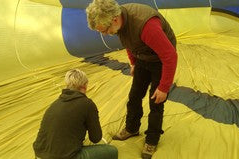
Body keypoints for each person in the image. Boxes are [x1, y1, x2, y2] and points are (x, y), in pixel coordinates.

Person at [86, 0, 178, 159]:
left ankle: (152, 140)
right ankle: (132, 128)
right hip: (143, 57)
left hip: (160, 60)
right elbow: (128, 42)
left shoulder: (147, 26)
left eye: (105, 30)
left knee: (156, 102)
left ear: (114, 20)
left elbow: (170, 56)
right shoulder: (119, 22)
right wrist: (134, 63)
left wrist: (164, 87)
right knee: (134, 97)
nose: (105, 34)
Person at [33, 69, 118, 159]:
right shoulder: (87, 104)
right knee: (112, 151)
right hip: (63, 157)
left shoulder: (55, 104)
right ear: (84, 86)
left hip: (39, 154)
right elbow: (96, 138)